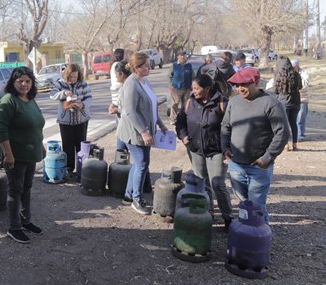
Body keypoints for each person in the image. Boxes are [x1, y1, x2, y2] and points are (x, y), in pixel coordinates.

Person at [221, 67, 289, 223]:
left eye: (244, 84)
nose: (240, 88)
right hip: (236, 164)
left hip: (259, 166)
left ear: (256, 82)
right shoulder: (234, 101)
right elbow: (225, 127)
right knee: (244, 204)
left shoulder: (271, 104)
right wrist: (225, 149)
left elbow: (282, 133)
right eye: (237, 85)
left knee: (256, 206)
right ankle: (245, 235)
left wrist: (268, 157)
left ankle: (259, 239)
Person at [175, 74, 233, 230]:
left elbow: (231, 127)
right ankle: (208, 213)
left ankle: (228, 218)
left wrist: (228, 148)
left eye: (197, 89)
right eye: (192, 88)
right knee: (202, 183)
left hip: (217, 150)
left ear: (207, 88)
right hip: (195, 149)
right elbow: (180, 121)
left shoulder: (222, 103)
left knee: (217, 184)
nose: (194, 92)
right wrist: (183, 136)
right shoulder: (190, 102)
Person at [0, 67, 45, 244]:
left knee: (27, 187)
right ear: (13, 82)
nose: (24, 84)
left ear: (32, 83)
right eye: (20, 81)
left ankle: (26, 221)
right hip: (16, 155)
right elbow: (1, 130)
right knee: (15, 190)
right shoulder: (8, 101)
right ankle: (14, 227)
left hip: (31, 153)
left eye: (27, 81)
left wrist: (41, 144)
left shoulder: (30, 99)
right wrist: (8, 155)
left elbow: (36, 125)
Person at [117, 52, 168, 214]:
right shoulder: (131, 84)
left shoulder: (144, 81)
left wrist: (161, 125)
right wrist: (144, 132)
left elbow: (152, 106)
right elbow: (130, 112)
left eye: (149, 64)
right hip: (134, 132)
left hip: (146, 130)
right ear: (136, 68)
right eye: (146, 65)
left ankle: (128, 195)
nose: (149, 67)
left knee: (139, 163)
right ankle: (137, 200)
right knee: (142, 163)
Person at [50, 63, 92, 180]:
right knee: (67, 145)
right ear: (66, 75)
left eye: (75, 76)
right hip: (65, 121)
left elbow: (89, 97)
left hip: (81, 119)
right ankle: (69, 169)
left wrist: (82, 105)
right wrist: (63, 93)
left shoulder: (83, 84)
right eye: (71, 77)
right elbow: (52, 95)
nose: (73, 79)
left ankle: (81, 169)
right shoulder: (60, 84)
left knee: (81, 145)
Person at [268, 56, 302, 151]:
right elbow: (300, 86)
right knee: (293, 123)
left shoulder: (278, 76)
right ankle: (294, 144)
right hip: (296, 102)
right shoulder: (296, 74)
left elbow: (275, 91)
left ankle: (286, 145)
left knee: (284, 124)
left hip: (283, 102)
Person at [109, 60, 131, 151]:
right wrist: (114, 104)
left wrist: (117, 109)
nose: (115, 77)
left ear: (121, 74)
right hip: (121, 125)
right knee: (120, 154)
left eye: (116, 74)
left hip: (128, 126)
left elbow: (130, 109)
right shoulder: (123, 85)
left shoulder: (130, 86)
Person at [168, 49, 193, 125]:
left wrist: (192, 85)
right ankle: (173, 119)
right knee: (174, 104)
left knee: (186, 104)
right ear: (178, 56)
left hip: (187, 88)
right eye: (181, 55)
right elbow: (169, 76)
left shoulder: (189, 65)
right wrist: (171, 85)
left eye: (184, 55)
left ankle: (184, 118)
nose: (183, 57)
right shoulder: (174, 65)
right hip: (176, 88)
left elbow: (192, 76)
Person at [293, 59, 309, 141]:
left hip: (302, 99)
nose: (293, 68)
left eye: (294, 67)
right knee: (293, 118)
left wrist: (296, 83)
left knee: (301, 118)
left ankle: (301, 135)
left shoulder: (304, 73)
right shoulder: (289, 73)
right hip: (292, 99)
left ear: (297, 66)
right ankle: (294, 135)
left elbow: (305, 84)